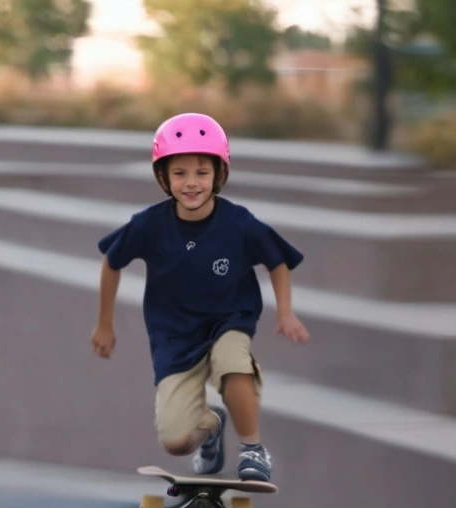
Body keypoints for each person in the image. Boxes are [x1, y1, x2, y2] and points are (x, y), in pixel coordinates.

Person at [90, 112, 310, 484]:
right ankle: (211, 426)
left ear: (218, 175)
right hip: (174, 335)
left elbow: (277, 261)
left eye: (201, 173)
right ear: (163, 177)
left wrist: (285, 312)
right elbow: (112, 261)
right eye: (180, 173)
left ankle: (253, 449)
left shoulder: (239, 223)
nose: (191, 183)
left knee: (232, 364)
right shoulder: (148, 225)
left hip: (229, 320)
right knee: (175, 442)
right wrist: (104, 323)